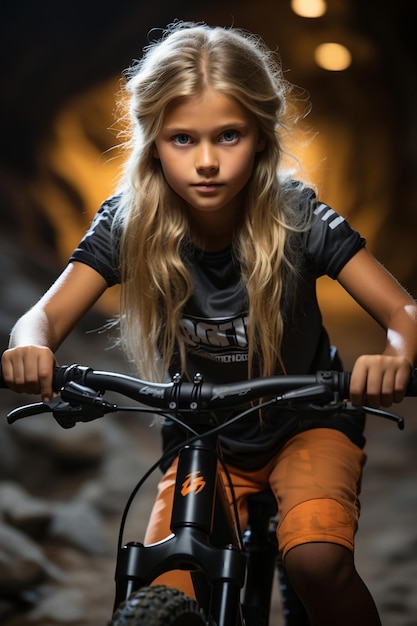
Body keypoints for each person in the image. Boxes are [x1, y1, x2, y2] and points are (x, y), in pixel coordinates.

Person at [2, 21, 417, 625]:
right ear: (151, 142)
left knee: (317, 565)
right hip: (203, 435)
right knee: (171, 574)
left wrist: (397, 356)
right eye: (181, 139)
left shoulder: (297, 215)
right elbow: (42, 316)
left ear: (262, 135)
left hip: (308, 420)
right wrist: (30, 347)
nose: (205, 162)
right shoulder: (130, 222)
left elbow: (401, 310)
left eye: (228, 136)